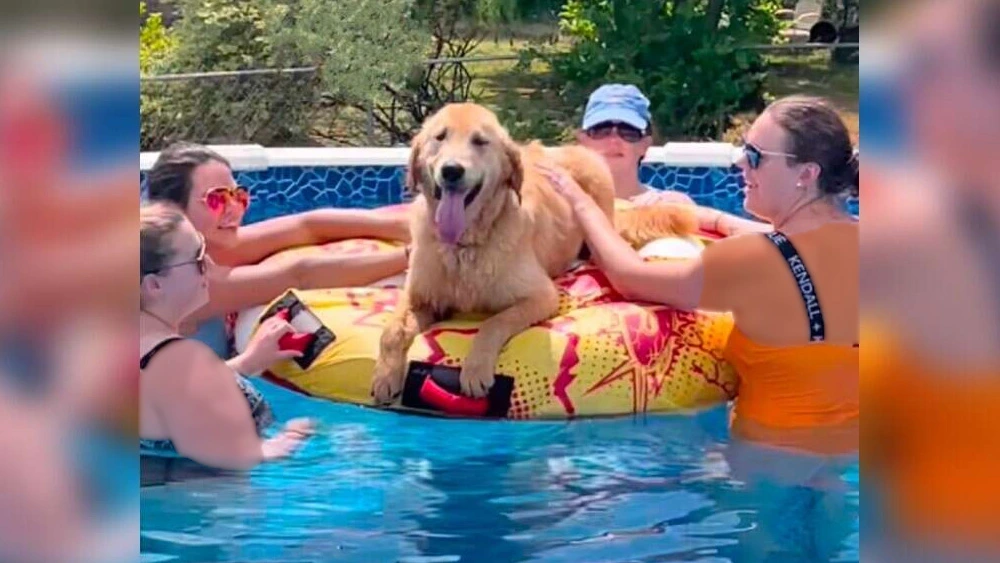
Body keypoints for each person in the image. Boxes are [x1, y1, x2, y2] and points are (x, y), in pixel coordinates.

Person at [544, 94, 859, 451]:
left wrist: (581, 202)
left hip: (769, 473)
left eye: (755, 156)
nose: (741, 163)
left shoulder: (753, 262)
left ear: (806, 174)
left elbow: (628, 277)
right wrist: (713, 219)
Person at [144, 142, 412, 357]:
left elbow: (306, 226)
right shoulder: (175, 276)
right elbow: (299, 275)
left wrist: (403, 226)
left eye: (237, 196)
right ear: (171, 209)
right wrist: (412, 257)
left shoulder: (209, 243)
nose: (233, 210)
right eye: (216, 199)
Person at [140, 202, 313, 479]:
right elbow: (255, 455)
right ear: (154, 285)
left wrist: (247, 363)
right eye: (198, 260)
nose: (209, 265)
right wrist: (294, 434)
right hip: (208, 512)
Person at [577, 83, 770, 236]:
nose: (614, 139)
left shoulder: (672, 206)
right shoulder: (563, 205)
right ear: (583, 140)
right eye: (601, 130)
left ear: (645, 144)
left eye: (628, 132)